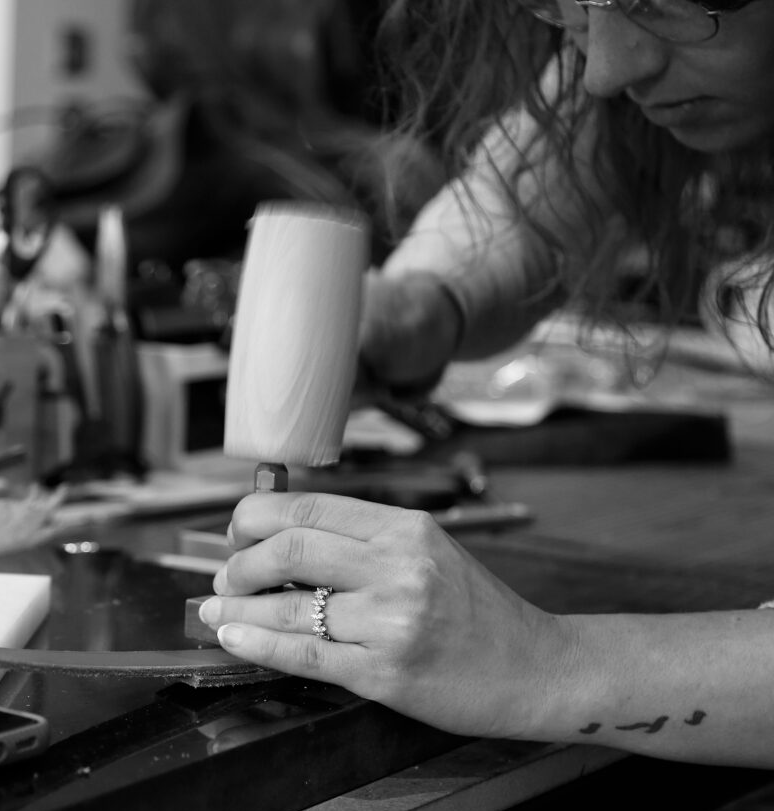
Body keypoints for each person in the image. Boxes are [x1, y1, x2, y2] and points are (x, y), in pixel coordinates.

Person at [196, 0, 774, 770]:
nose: (604, 70)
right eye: (569, 15)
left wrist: (546, 664)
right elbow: (530, 198)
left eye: (659, 2)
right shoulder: (625, 60)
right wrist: (419, 305)